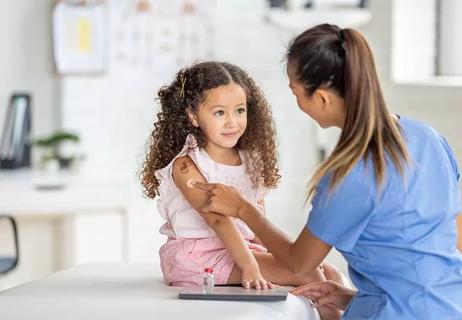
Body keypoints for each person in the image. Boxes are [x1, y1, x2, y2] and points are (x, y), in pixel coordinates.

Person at [191, 24, 462, 319]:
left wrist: (243, 209)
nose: (297, 103)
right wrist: (360, 296)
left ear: (321, 98)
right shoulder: (427, 137)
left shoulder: (348, 175)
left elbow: (299, 264)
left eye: (296, 94)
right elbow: (450, 241)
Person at [140, 61, 341, 319]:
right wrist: (250, 266)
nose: (232, 122)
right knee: (309, 274)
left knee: (330, 273)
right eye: (219, 113)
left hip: (239, 250)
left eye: (239, 111)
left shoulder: (250, 161)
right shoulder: (187, 165)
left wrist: (271, 257)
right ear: (193, 115)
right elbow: (217, 219)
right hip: (199, 255)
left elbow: (258, 224)